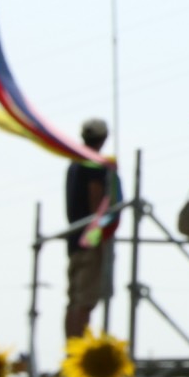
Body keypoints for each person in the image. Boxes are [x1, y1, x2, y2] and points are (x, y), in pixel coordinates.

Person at [65, 118, 121, 342]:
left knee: (74, 300)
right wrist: (97, 236)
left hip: (75, 240)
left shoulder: (74, 164)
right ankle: (79, 349)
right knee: (85, 301)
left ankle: (71, 350)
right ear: (104, 138)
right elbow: (95, 200)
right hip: (90, 240)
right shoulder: (93, 165)